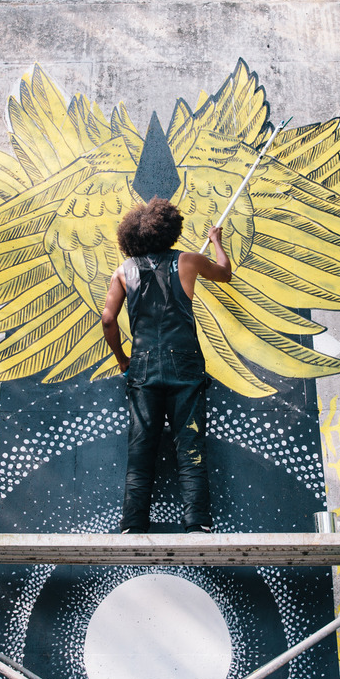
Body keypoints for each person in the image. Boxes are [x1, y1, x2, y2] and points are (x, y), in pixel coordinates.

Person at [101, 198, 232, 533]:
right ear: (170, 229)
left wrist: (123, 361)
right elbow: (225, 273)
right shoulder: (189, 261)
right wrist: (216, 240)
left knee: (141, 445)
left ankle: (133, 524)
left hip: (143, 365)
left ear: (132, 237)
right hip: (185, 364)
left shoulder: (123, 271)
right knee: (189, 444)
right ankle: (197, 524)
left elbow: (107, 320)